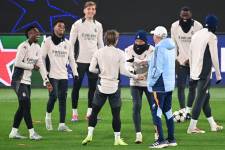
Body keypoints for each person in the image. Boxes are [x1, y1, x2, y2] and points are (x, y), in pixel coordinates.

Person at [81, 30, 144, 146]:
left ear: (105, 39)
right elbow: (124, 71)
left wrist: (99, 72)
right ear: (115, 40)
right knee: (116, 115)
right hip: (114, 87)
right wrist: (136, 76)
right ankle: (117, 139)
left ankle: (89, 135)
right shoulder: (120, 53)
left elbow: (91, 69)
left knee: (94, 113)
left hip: (101, 86)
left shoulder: (98, 52)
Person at [9, 26, 52, 140]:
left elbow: (41, 65)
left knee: (22, 107)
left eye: (38, 32)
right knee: (26, 105)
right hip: (18, 80)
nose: (38, 34)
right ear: (29, 34)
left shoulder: (37, 47)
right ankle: (32, 133)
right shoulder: (23, 46)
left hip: (27, 82)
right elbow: (18, 63)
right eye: (35, 32)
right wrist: (32, 66)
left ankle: (13, 132)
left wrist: (46, 80)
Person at [187, 15, 223, 134]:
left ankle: (213, 125)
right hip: (204, 72)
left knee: (205, 98)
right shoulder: (212, 36)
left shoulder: (196, 34)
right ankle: (192, 127)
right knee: (200, 98)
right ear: (215, 26)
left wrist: (192, 72)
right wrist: (218, 75)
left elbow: (190, 53)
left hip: (194, 72)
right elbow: (214, 57)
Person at [69, 1, 104, 121]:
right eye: (89, 9)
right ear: (84, 10)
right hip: (79, 62)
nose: (91, 11)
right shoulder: (77, 24)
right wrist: (71, 60)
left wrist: (102, 59)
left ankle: (90, 113)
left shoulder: (98, 25)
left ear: (95, 11)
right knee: (76, 87)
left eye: (93, 9)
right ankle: (74, 113)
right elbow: (71, 44)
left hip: (93, 62)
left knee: (93, 88)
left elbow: (100, 44)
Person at [41, 20, 78, 132]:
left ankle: (62, 124)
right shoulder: (47, 41)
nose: (62, 27)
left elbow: (71, 59)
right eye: (59, 26)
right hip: (52, 75)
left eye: (63, 26)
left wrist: (75, 73)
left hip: (63, 76)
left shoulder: (68, 43)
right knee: (54, 97)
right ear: (54, 28)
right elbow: (41, 58)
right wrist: (45, 76)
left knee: (63, 99)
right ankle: (48, 117)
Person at [147, 26, 177, 148]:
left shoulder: (159, 47)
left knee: (156, 112)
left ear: (157, 36)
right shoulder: (170, 46)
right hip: (169, 84)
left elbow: (157, 68)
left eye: (154, 35)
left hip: (159, 85)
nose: (153, 37)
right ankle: (171, 139)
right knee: (168, 111)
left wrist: (150, 82)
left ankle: (161, 140)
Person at [171, 6, 203, 118]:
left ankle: (188, 111)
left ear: (191, 13)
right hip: (181, 63)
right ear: (180, 14)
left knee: (192, 87)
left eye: (187, 13)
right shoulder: (174, 26)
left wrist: (193, 58)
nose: (185, 14)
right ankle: (183, 110)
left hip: (194, 63)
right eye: (183, 13)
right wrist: (176, 59)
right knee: (180, 87)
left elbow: (201, 45)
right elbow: (173, 44)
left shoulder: (198, 26)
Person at [125, 30, 155, 143]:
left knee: (154, 108)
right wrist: (135, 74)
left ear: (145, 41)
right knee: (136, 106)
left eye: (141, 41)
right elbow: (127, 65)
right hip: (135, 82)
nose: (138, 43)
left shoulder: (152, 49)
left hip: (149, 83)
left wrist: (136, 61)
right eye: (137, 40)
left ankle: (157, 132)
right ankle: (138, 134)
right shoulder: (128, 49)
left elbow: (150, 63)